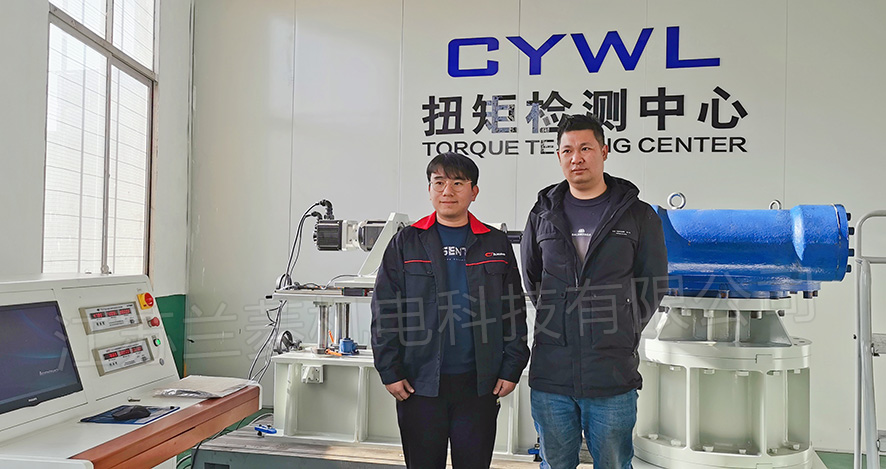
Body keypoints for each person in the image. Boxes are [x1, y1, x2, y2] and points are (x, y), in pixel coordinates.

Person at [521, 114, 668, 469]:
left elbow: (652, 281)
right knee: (555, 463)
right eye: (567, 150)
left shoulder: (637, 215)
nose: (577, 158)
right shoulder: (542, 214)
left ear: (604, 151)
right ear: (559, 156)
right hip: (552, 372)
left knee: (614, 463)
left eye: (586, 148)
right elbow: (533, 279)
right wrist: (562, 316)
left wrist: (622, 324)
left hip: (611, 373)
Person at [371, 152, 530, 469]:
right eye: (439, 182)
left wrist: (512, 366)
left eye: (458, 183)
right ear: (429, 189)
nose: (448, 191)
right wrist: (390, 370)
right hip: (419, 383)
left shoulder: (495, 243)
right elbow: (385, 309)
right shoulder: (406, 241)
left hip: (479, 384)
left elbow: (513, 309)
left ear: (474, 191)